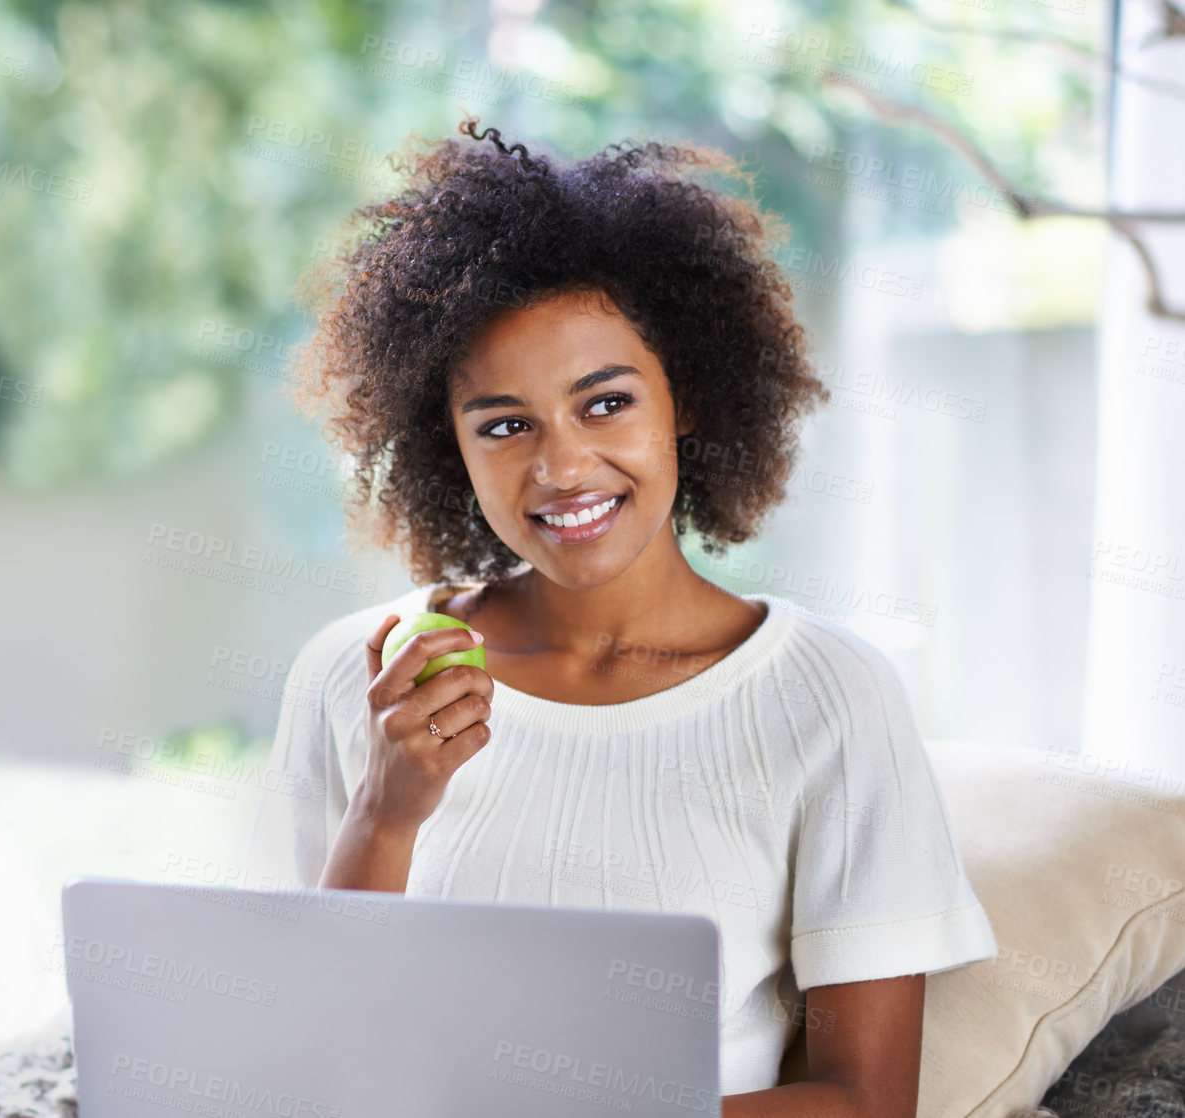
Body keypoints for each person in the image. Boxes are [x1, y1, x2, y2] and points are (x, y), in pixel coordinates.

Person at [242, 117, 996, 1116]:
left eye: (604, 403)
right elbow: (301, 1062)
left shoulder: (828, 698)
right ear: (449, 445)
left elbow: (862, 1101)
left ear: (683, 395)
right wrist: (388, 807)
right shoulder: (361, 676)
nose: (558, 467)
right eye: (505, 424)